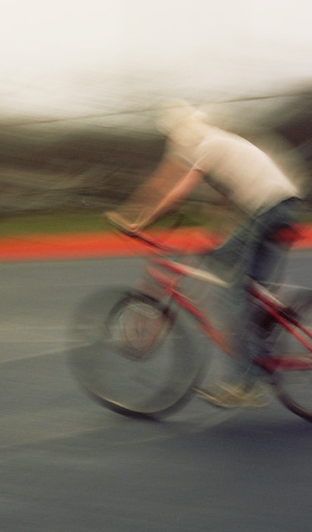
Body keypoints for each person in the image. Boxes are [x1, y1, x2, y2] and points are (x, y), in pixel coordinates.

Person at [108, 100, 301, 408]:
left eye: (175, 135)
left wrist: (141, 222)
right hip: (283, 206)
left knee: (231, 297)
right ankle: (270, 313)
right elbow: (222, 197)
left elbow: (177, 189)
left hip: (268, 209)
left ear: (182, 131)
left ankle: (245, 386)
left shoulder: (209, 145)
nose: (175, 142)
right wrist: (214, 232)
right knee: (220, 258)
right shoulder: (220, 143)